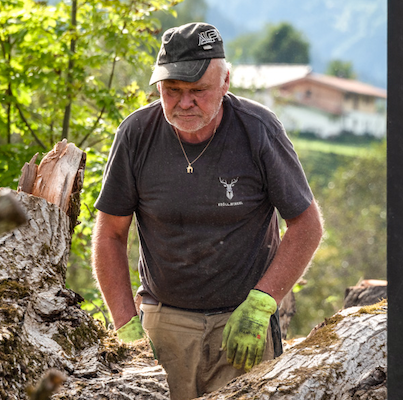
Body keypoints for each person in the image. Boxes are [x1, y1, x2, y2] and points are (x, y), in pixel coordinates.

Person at [92, 22, 323, 400]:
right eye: (172, 91)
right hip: (162, 325)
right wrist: (126, 329)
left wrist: (262, 303)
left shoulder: (258, 130)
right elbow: (110, 235)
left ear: (226, 81)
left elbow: (306, 225)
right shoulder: (135, 134)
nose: (184, 103)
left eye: (198, 91)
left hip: (242, 324)